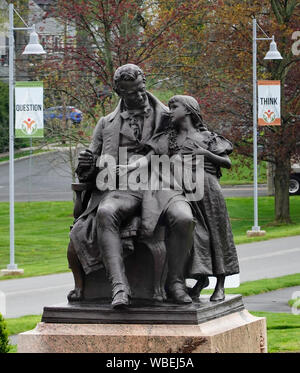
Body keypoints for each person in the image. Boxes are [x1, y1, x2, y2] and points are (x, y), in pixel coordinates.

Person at [67, 65, 194, 308]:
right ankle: (119, 287)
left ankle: (175, 282)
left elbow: (191, 142)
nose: (139, 96)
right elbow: (90, 166)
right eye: (131, 93)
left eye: (141, 89)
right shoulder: (106, 124)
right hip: (123, 188)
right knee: (105, 211)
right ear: (120, 93)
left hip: (162, 185)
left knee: (184, 218)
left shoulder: (168, 117)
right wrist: (87, 164)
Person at [145, 95, 240, 301]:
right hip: (184, 191)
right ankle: (200, 279)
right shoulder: (171, 138)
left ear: (188, 110)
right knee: (196, 237)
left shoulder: (207, 137)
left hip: (208, 190)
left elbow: (227, 163)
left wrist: (205, 153)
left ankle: (220, 284)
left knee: (216, 235)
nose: (170, 111)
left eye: (174, 106)